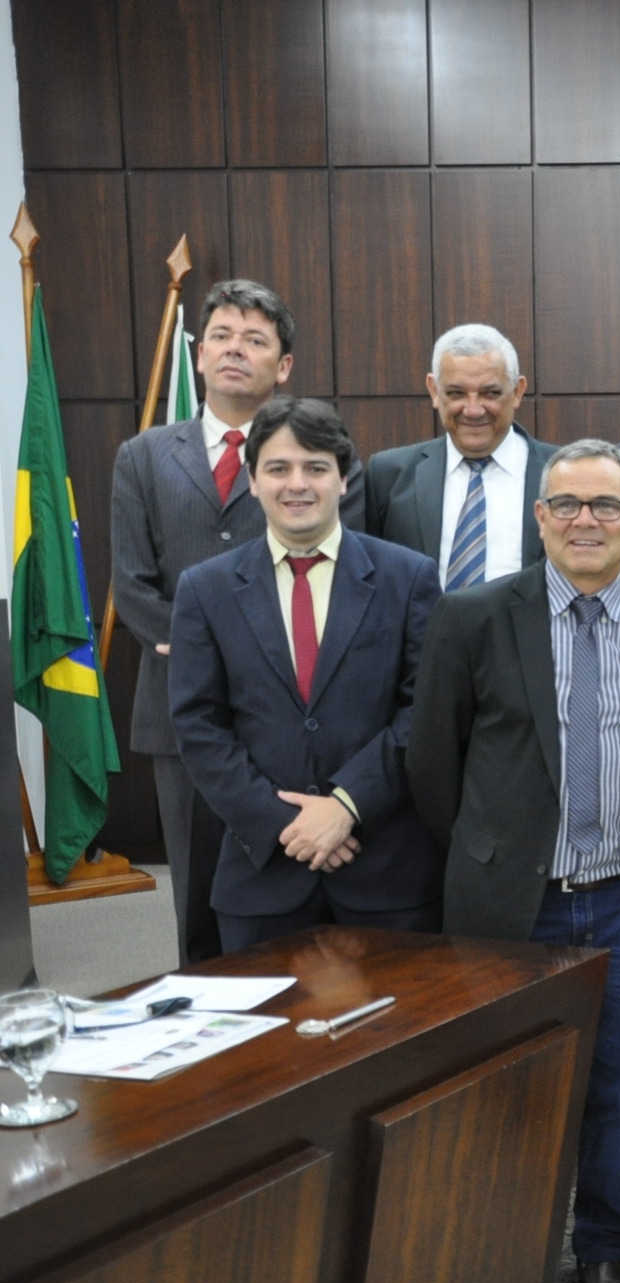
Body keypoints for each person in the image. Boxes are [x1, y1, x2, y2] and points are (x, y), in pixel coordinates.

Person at [407, 438, 620, 1283]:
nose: (585, 521)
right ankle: (507, 1252)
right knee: (503, 1087)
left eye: (606, 506)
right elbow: (432, 764)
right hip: (507, 905)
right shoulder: (474, 617)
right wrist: (494, 853)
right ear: (538, 518)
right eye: (565, 504)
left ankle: (603, 1251)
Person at [111, 279, 368, 962]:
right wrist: (204, 648)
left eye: (256, 340)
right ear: (198, 355)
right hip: (181, 710)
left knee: (304, 876)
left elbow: (344, 580)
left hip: (296, 704)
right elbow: (131, 585)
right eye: (222, 335)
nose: (235, 350)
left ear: (282, 366)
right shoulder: (142, 456)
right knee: (198, 890)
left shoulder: (325, 458)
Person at [167, 397, 440, 951]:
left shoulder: (407, 577)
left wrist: (346, 807)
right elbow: (198, 725)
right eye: (278, 468)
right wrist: (285, 825)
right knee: (270, 1038)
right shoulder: (205, 588)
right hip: (263, 872)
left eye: (316, 467)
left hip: (385, 870)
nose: (298, 484)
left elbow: (425, 712)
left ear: (343, 479)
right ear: (251, 481)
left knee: (400, 1035)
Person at [368, 323, 557, 588]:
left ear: (517, 391)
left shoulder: (562, 473)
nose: (473, 410)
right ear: (434, 391)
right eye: (456, 393)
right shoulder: (388, 475)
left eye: (490, 393)